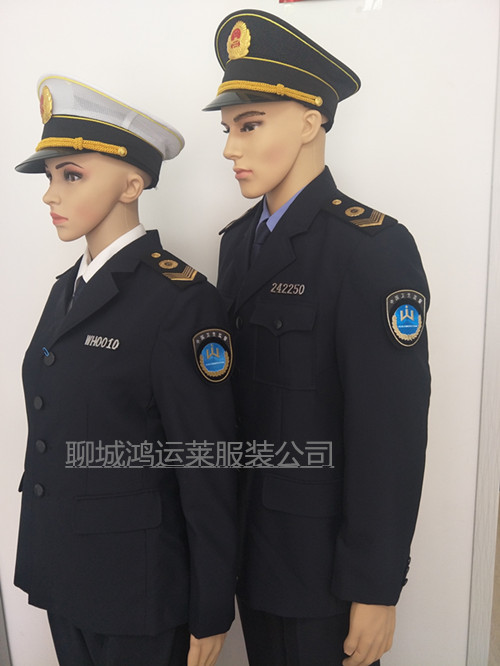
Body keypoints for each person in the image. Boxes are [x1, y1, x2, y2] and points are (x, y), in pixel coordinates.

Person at [204, 9, 430, 666]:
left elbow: (390, 435)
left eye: (249, 125)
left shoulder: (370, 249)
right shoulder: (237, 245)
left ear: (311, 122)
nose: (230, 149)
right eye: (227, 129)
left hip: (325, 573)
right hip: (253, 555)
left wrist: (375, 587)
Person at [15, 75, 237, 666]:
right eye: (50, 176)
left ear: (133, 184)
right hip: (63, 568)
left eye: (72, 175)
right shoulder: (68, 289)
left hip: (137, 589)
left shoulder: (180, 301)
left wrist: (212, 606)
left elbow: (208, 462)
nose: (50, 195)